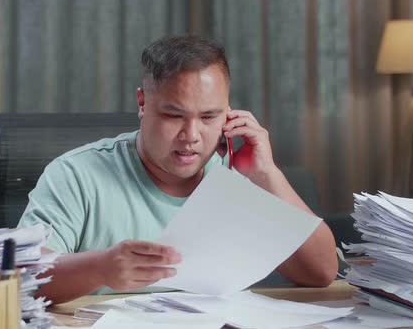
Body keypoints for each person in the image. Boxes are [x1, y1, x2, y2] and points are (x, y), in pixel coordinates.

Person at [18, 35, 338, 304]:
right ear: (142, 104)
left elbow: (322, 272)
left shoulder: (238, 176)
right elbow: (25, 277)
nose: (192, 136)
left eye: (209, 117)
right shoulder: (75, 174)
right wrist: (101, 268)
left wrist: (267, 174)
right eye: (174, 115)